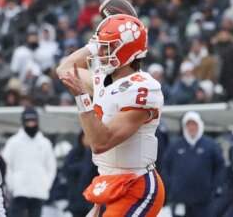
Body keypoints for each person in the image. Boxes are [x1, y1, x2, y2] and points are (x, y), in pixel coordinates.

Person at [56, 14, 165, 216]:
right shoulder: (103, 81)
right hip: (110, 182)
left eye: (107, 47)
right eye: (101, 47)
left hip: (136, 185)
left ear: (128, 48)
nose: (101, 53)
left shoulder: (143, 88)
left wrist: (82, 98)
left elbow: (100, 142)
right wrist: (96, 43)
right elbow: (64, 69)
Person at [162, 111, 225, 217]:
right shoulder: (175, 146)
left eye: (194, 124)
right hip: (180, 198)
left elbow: (220, 167)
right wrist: (170, 185)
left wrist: (214, 186)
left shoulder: (210, 145)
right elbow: (165, 166)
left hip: (203, 200)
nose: (191, 127)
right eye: (188, 124)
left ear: (199, 125)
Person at [2, 106, 57, 217]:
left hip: (38, 191)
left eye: (33, 120)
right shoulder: (13, 142)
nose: (31, 124)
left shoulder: (45, 143)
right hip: (19, 191)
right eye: (28, 121)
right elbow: (5, 165)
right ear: (23, 122)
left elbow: (51, 167)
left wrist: (45, 185)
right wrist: (12, 185)